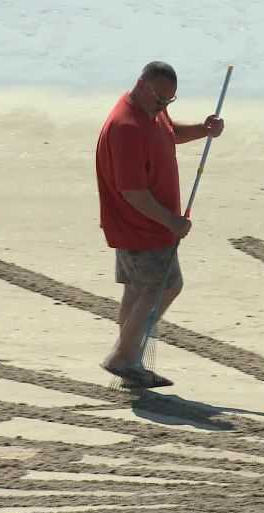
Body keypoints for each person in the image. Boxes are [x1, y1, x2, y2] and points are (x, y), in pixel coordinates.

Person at [94, 61, 224, 388]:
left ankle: (129, 361)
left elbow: (168, 133)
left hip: (146, 225)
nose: (164, 107)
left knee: (138, 289)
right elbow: (133, 191)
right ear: (141, 84)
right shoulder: (126, 127)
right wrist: (172, 221)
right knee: (163, 286)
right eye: (160, 100)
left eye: (169, 102)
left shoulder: (152, 111)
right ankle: (122, 357)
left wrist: (203, 130)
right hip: (140, 226)